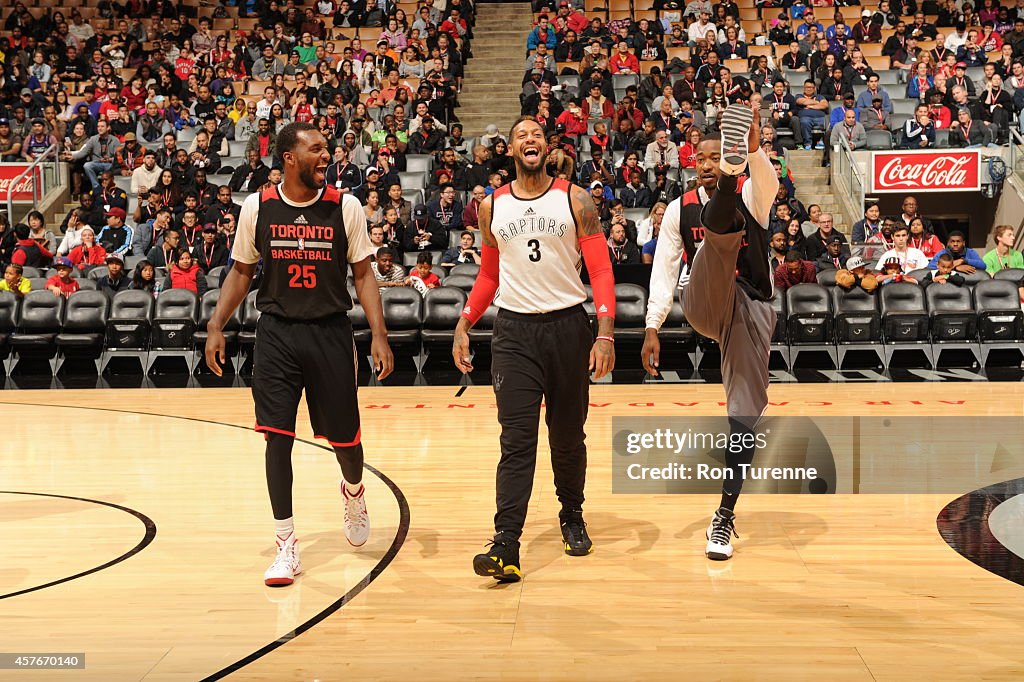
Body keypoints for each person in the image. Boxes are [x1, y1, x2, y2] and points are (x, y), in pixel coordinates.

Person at [204, 122, 394, 587]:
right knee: (277, 437)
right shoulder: (258, 207)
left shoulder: (345, 206)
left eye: (326, 147)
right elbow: (241, 272)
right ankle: (286, 544)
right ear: (289, 157)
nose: (325, 154)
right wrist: (215, 324)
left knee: (345, 441)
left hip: (330, 331)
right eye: (315, 148)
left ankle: (353, 490)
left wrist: (379, 334)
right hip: (277, 333)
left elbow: (365, 276)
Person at [452, 116, 615, 583]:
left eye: (537, 135)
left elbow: (601, 271)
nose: (530, 141)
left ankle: (572, 514)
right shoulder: (491, 207)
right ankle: (506, 542)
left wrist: (604, 333)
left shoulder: (575, 198)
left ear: (547, 147)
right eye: (521, 135)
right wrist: (465, 322)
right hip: (514, 333)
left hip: (568, 327)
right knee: (516, 441)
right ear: (511, 149)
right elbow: (488, 276)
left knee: (567, 437)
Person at [643, 103, 778, 561]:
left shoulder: (754, 194)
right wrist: (652, 325)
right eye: (701, 158)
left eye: (718, 157)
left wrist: (756, 153)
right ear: (692, 160)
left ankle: (724, 514)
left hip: (750, 306)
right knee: (714, 246)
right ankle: (724, 202)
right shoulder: (680, 209)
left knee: (745, 412)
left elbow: (770, 184)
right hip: (703, 302)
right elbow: (663, 271)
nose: (705, 163)